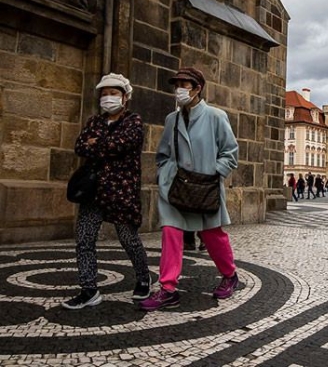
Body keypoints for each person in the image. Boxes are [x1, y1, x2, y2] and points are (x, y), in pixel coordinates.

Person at [140, 67, 239, 311]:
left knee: (212, 235)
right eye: (178, 85)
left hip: (204, 187)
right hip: (176, 187)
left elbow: (230, 152)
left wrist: (214, 172)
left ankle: (230, 275)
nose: (180, 89)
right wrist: (166, 175)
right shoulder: (171, 119)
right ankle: (168, 288)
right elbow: (163, 154)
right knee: (171, 233)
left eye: (185, 85)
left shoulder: (216, 116)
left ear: (198, 88)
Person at [62, 73, 151, 310]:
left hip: (121, 191)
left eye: (113, 93)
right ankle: (89, 289)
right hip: (93, 191)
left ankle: (143, 278)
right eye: (104, 93)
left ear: (125, 97)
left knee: (128, 238)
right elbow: (80, 145)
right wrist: (95, 144)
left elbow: (120, 144)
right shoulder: (94, 121)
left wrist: (96, 144)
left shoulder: (134, 121)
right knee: (84, 239)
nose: (108, 97)